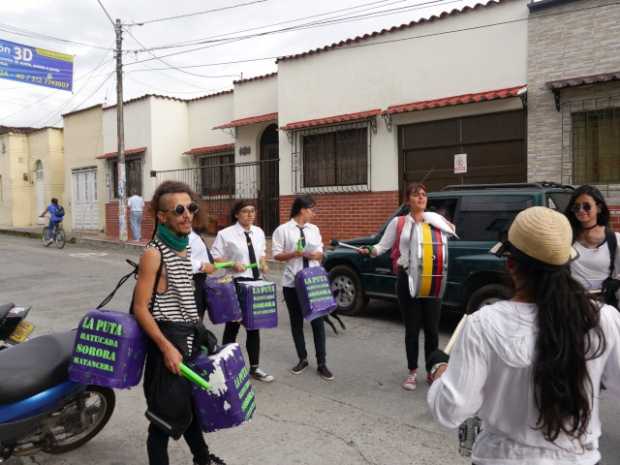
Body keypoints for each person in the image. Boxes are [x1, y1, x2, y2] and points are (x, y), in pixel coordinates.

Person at [427, 206, 620, 465]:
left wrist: (440, 371)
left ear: (510, 264)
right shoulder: (603, 318)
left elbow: (451, 410)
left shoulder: (483, 323)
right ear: (567, 262)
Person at [133, 181, 225, 465]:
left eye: (191, 208)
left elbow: (184, 299)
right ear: (162, 216)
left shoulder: (184, 247)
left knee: (188, 408)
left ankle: (202, 458)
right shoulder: (154, 253)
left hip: (188, 339)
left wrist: (201, 331)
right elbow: (140, 308)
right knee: (162, 419)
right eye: (179, 210)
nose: (188, 215)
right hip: (168, 345)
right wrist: (166, 348)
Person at [360, 183, 454, 391]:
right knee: (412, 329)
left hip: (431, 277)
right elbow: (382, 246)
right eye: (415, 195)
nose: (421, 198)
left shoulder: (434, 221)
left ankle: (432, 370)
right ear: (407, 200)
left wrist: (435, 219)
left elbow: (452, 232)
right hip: (406, 278)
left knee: (432, 329)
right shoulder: (399, 222)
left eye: (423, 194)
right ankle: (412, 372)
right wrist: (369, 251)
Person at [272, 195, 334, 381]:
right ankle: (302, 358)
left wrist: (318, 255)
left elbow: (321, 252)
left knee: (317, 322)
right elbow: (276, 255)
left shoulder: (314, 229)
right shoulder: (283, 230)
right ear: (302, 210)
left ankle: (322, 363)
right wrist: (294, 253)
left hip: (313, 282)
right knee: (296, 322)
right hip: (293, 282)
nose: (314, 213)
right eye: (312, 209)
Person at [211, 200, 274, 383]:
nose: (250, 214)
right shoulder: (225, 234)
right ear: (237, 214)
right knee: (233, 326)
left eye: (252, 211)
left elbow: (261, 253)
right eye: (245, 211)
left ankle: (254, 367)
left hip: (256, 284)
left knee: (254, 327)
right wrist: (231, 263)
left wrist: (263, 263)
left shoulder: (259, 232)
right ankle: (225, 366)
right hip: (236, 284)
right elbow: (215, 259)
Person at [565, 185, 620, 308]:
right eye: (576, 207)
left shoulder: (614, 240)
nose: (581, 210)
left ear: (599, 208)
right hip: (572, 305)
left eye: (586, 206)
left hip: (603, 306)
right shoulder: (566, 238)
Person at [189, 196, 216, 320]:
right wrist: (202, 265)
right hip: (190, 288)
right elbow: (174, 259)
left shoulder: (194, 234)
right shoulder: (185, 236)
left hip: (198, 285)